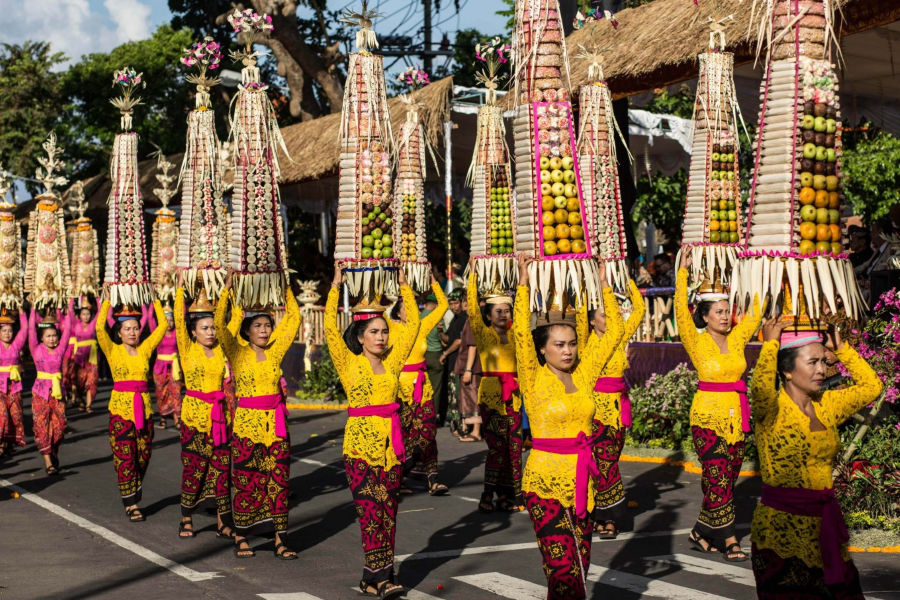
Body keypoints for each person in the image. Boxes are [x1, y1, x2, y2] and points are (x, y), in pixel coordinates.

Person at [513, 254, 623, 599]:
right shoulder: (533, 378)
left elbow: (616, 331)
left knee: (579, 567)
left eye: (572, 343)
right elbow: (520, 332)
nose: (568, 351)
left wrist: (602, 283)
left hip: (582, 484)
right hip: (544, 484)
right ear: (542, 349)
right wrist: (523, 282)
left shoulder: (585, 374)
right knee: (563, 568)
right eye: (559, 345)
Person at [750, 319, 883, 598]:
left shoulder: (827, 404)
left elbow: (873, 386)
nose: (822, 369)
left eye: (823, 361)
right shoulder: (771, 410)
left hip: (825, 527)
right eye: (812, 362)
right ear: (787, 370)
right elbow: (760, 389)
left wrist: (841, 348)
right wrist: (770, 344)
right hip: (781, 534)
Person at [324, 263, 418, 600]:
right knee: (370, 513)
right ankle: (381, 579)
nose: (381, 337)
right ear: (360, 335)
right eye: (374, 332)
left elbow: (414, 325)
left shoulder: (393, 362)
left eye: (384, 332)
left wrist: (404, 285)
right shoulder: (348, 362)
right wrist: (336, 286)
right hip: (359, 451)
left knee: (388, 514)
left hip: (391, 451)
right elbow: (329, 328)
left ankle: (374, 577)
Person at [675, 252, 761, 561]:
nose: (725, 316)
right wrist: (683, 272)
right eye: (718, 312)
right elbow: (680, 311)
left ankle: (700, 531)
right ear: (705, 316)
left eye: (727, 311)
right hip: (707, 419)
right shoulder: (695, 340)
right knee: (718, 477)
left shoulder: (737, 339)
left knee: (726, 479)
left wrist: (758, 268)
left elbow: (757, 310)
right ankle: (730, 539)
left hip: (736, 419)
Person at [214, 270, 301, 559]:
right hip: (247, 429)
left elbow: (294, 319)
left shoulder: (276, 351)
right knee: (247, 482)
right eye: (258, 326)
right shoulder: (236, 352)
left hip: (276, 428)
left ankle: (280, 540)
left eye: (267, 325)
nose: (264, 330)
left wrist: (285, 286)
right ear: (247, 330)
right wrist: (228, 290)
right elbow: (220, 325)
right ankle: (241, 536)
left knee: (279, 483)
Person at [577, 278, 646, 538]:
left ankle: (598, 512)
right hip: (594, 411)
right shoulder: (583, 342)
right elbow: (580, 307)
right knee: (604, 464)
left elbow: (639, 309)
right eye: (604, 315)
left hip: (618, 412)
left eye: (612, 314)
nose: (610, 319)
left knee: (608, 463)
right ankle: (610, 517)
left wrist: (620, 277)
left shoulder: (619, 337)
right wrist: (589, 278)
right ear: (591, 321)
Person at [173, 276, 234, 541]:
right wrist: (179, 290)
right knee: (194, 469)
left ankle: (223, 522)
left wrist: (227, 290)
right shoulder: (187, 348)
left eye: (212, 328)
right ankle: (186, 518)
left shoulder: (222, 348)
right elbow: (178, 320)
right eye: (204, 328)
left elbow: (233, 319)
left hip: (220, 419)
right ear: (193, 332)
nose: (210, 332)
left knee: (222, 471)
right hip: (194, 419)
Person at [97, 296, 167, 522]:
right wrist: (106, 301)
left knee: (143, 456)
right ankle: (131, 504)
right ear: (119, 332)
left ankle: (133, 489)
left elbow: (163, 326)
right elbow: (99, 328)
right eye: (127, 329)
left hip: (144, 411)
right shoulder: (112, 349)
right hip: (120, 411)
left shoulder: (145, 349)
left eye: (136, 328)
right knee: (125, 457)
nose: (133, 332)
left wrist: (155, 299)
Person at [467, 262, 523, 513]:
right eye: (498, 311)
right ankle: (487, 495)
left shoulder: (517, 334)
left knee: (514, 448)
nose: (503, 315)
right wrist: (473, 274)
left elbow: (523, 308)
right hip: (491, 397)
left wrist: (522, 277)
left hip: (514, 397)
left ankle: (508, 496)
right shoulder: (483, 334)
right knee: (497, 448)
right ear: (488, 315)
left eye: (506, 311)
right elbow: (471, 308)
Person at [389, 274, 450, 496]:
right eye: (406, 308)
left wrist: (433, 281)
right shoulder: (389, 329)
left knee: (428, 432)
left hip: (422, 389)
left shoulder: (422, 327)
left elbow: (443, 305)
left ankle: (433, 480)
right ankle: (400, 478)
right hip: (398, 390)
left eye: (414, 307)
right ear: (397, 313)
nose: (411, 311)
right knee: (402, 435)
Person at [28, 308, 71, 475]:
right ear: (41, 337)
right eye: (48, 336)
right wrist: (32, 309)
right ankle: (48, 463)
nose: (52, 339)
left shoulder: (60, 349)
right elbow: (31, 329)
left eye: (54, 335)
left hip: (59, 393)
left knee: (59, 428)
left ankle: (53, 452)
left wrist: (68, 309)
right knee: (41, 427)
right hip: (40, 393)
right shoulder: (36, 348)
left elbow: (68, 330)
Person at [454, 297, 482, 442]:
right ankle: (469, 429)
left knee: (473, 397)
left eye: (467, 301)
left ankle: (476, 432)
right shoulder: (469, 319)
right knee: (467, 397)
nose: (464, 304)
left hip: (471, 366)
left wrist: (468, 369)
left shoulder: (473, 321)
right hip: (467, 364)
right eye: (464, 301)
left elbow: (473, 346)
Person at [150, 305, 182, 429]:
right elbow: (149, 317)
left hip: (174, 368)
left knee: (176, 393)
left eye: (171, 320)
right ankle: (162, 419)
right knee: (161, 394)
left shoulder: (177, 332)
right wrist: (154, 301)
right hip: (160, 368)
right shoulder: (158, 332)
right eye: (166, 321)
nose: (169, 323)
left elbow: (181, 315)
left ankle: (177, 419)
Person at [440, 288, 467, 433]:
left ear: (463, 302)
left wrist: (445, 354)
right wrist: (439, 330)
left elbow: (458, 341)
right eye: (451, 304)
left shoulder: (464, 318)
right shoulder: (455, 319)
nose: (453, 307)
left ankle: (461, 426)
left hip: (459, 362)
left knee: (458, 396)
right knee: (453, 396)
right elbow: (447, 340)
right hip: (452, 363)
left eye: (456, 303)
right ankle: (456, 426)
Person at [0, 309, 27, 456]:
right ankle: (1, 444)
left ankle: (9, 443)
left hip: (14, 387)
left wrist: (22, 311)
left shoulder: (16, 345)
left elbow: (25, 329)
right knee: (2, 416)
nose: (7, 334)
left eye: (10, 331)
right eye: (4, 331)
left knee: (15, 416)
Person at [66, 299, 100, 413]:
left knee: (92, 380)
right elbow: (70, 312)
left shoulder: (93, 324)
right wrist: (72, 299)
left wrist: (97, 298)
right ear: (80, 316)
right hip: (80, 357)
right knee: (79, 381)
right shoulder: (76, 324)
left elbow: (100, 311)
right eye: (83, 314)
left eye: (88, 314)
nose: (86, 316)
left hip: (92, 357)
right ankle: (81, 400)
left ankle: (89, 405)